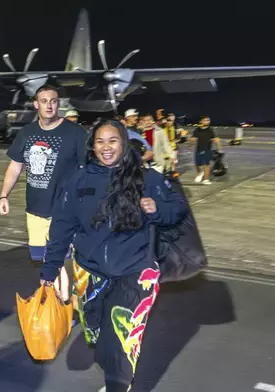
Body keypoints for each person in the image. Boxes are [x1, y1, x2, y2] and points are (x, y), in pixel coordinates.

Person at [40, 119, 188, 392]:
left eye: (113, 141)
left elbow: (178, 209)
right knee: (96, 331)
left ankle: (118, 385)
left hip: (136, 268)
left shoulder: (147, 177)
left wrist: (156, 209)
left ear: (123, 143)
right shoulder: (78, 180)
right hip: (89, 269)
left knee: (121, 334)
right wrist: (50, 269)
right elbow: (62, 226)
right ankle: (114, 367)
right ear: (92, 146)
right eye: (100, 141)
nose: (106, 147)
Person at [0, 84, 88, 303]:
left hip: (65, 211)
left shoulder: (75, 133)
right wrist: (3, 195)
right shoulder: (27, 133)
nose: (49, 105)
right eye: (44, 101)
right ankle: (61, 299)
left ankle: (64, 300)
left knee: (62, 259)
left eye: (53, 100)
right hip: (35, 211)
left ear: (59, 104)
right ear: (36, 104)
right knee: (44, 257)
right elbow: (15, 166)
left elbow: (88, 170)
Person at [191, 116, 220, 184]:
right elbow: (193, 138)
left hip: (207, 149)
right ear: (201, 121)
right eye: (205, 120)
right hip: (198, 149)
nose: (207, 121)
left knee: (206, 165)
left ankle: (206, 179)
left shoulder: (210, 130)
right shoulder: (197, 129)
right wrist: (190, 144)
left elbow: (215, 140)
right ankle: (200, 173)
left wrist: (219, 149)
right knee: (197, 164)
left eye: (208, 120)